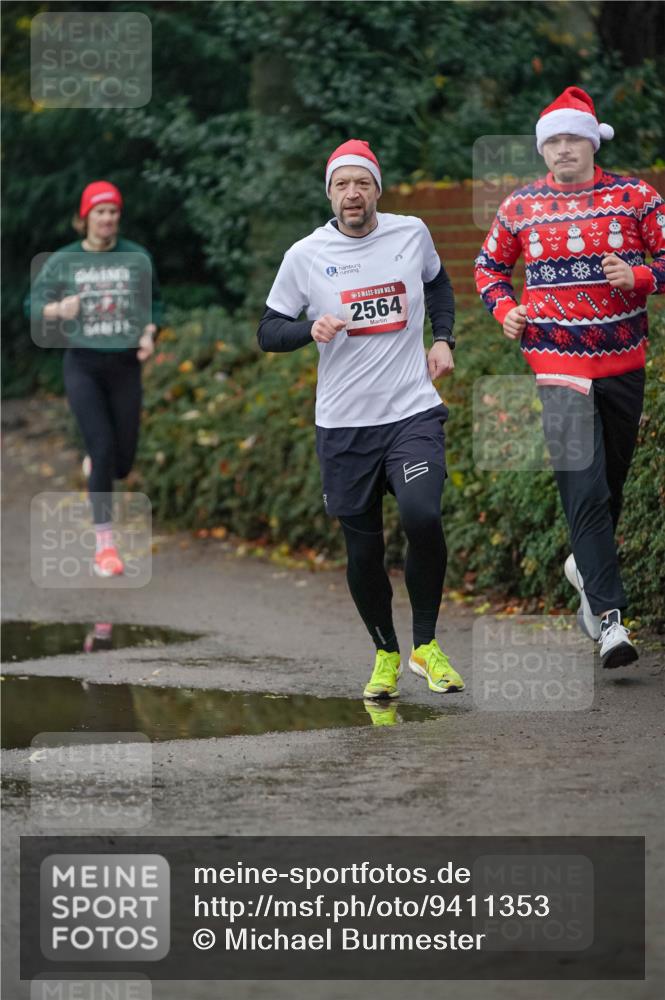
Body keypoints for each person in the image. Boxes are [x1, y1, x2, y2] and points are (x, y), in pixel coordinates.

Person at [258, 139, 464, 700]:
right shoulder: (305, 255)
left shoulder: (411, 232)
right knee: (364, 551)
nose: (353, 193)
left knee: (423, 515)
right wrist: (311, 329)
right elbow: (268, 330)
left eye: (362, 183)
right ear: (329, 192)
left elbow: (439, 284)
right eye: (342, 184)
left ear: (377, 188)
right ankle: (386, 653)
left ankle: (426, 645)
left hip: (410, 412)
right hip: (345, 426)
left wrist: (442, 339)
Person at [474, 86, 665, 669]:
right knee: (582, 486)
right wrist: (506, 311)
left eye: (571, 138)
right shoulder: (520, 207)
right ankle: (610, 620)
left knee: (608, 486)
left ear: (592, 141)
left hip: (622, 361)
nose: (562, 149)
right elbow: (488, 268)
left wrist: (639, 278)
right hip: (556, 364)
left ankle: (584, 565)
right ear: (542, 149)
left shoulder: (635, 198)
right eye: (552, 140)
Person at [29, 181, 162, 577]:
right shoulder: (64, 260)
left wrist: (149, 332)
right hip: (83, 364)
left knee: (121, 463)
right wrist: (57, 308)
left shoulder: (137, 256)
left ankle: (100, 468)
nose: (107, 219)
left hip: (124, 366)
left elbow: (154, 302)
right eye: (100, 212)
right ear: (84, 217)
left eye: (113, 212)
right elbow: (32, 305)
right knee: (102, 447)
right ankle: (105, 546)